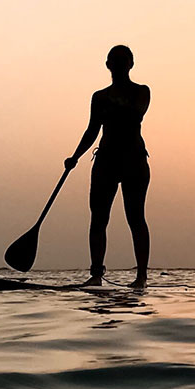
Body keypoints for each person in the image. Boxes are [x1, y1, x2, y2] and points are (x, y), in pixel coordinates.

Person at [66, 45, 150, 287]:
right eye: (115, 60)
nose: (119, 64)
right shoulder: (99, 97)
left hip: (134, 160)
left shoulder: (141, 92)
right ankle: (96, 275)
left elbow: (136, 113)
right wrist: (75, 156)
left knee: (136, 218)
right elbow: (92, 129)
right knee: (98, 219)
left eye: (124, 60)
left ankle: (141, 277)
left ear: (131, 64)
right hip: (106, 162)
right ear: (108, 65)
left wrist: (112, 104)